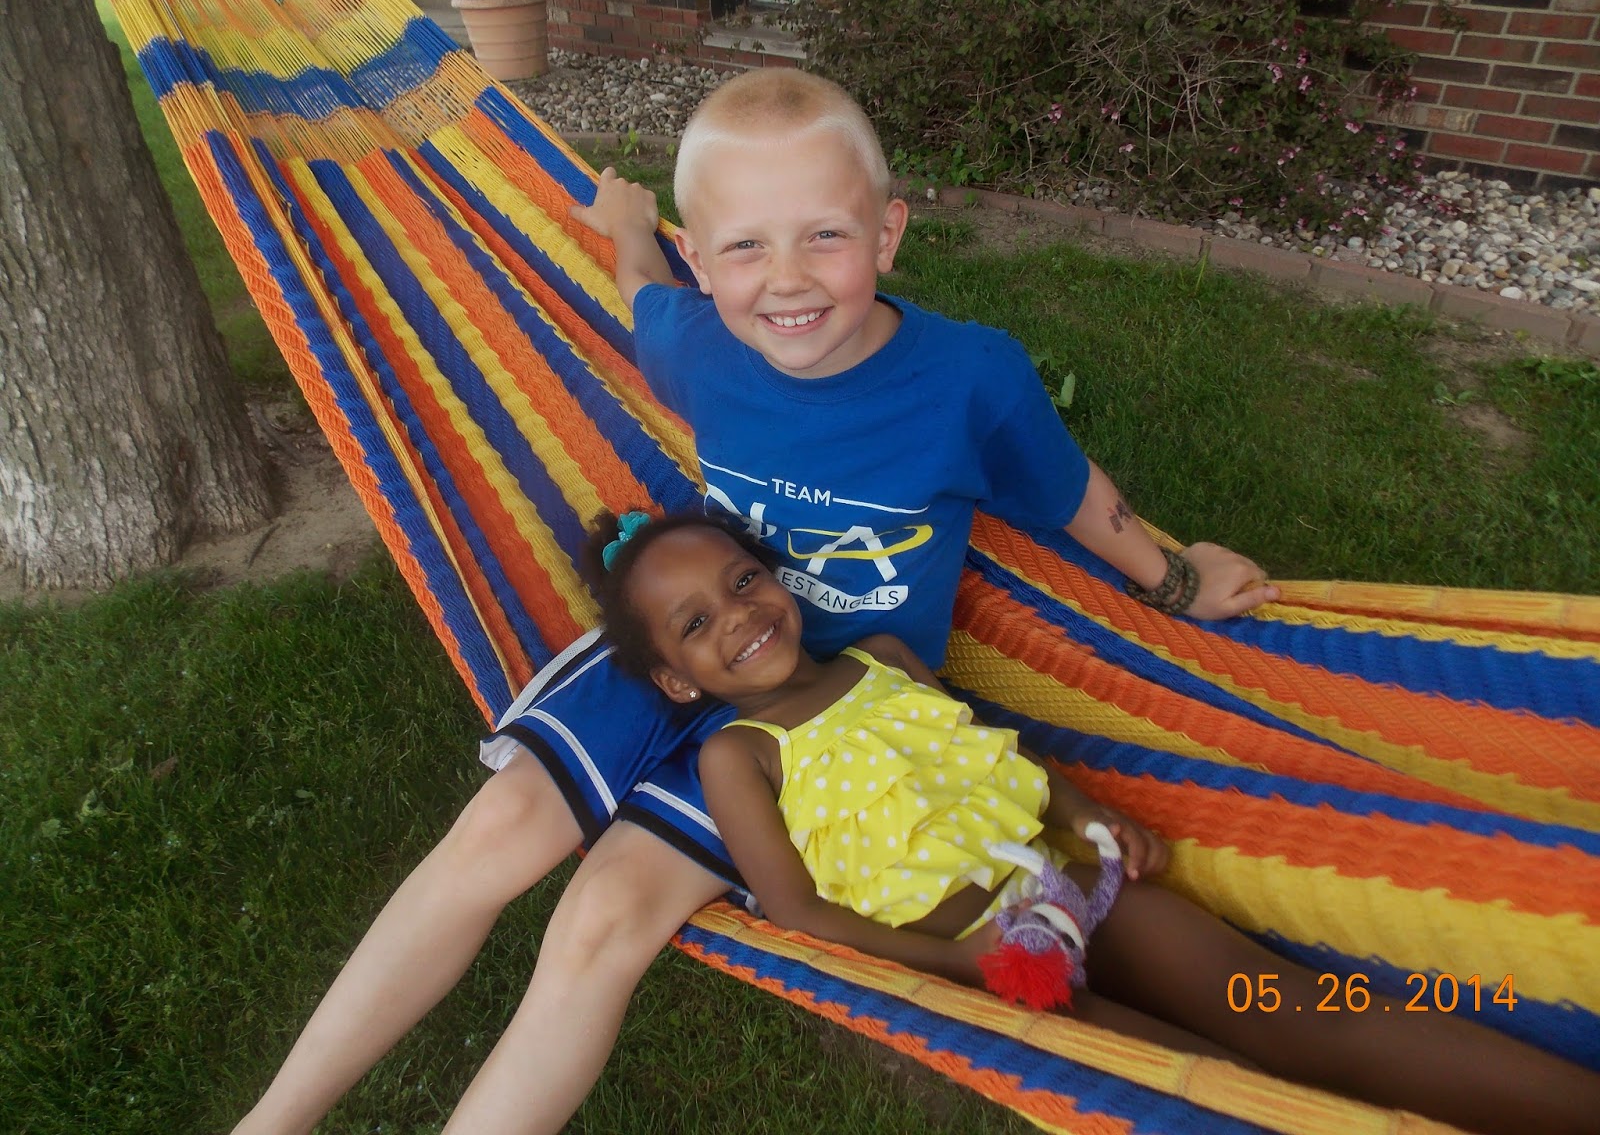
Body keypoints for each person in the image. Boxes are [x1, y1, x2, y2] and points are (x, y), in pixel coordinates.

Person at [232, 67, 1275, 1135]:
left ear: (886, 233)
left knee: (600, 920)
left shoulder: (971, 378)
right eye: (743, 248)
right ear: (701, 259)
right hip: (681, 635)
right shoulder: (700, 345)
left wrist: (1175, 576)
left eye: (824, 236)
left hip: (832, 720)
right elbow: (644, 290)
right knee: (492, 832)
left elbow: (1071, 492)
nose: (786, 281)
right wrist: (625, 221)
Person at [587, 508, 1600, 1135]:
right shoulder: (741, 753)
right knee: (1213, 1092)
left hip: (1072, 886)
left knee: (1289, 1005)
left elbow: (993, 754)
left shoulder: (882, 660)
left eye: (743, 580)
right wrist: (959, 962)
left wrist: (1090, 814)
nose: (739, 614)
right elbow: (800, 915)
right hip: (993, 971)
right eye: (696, 624)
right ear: (676, 680)